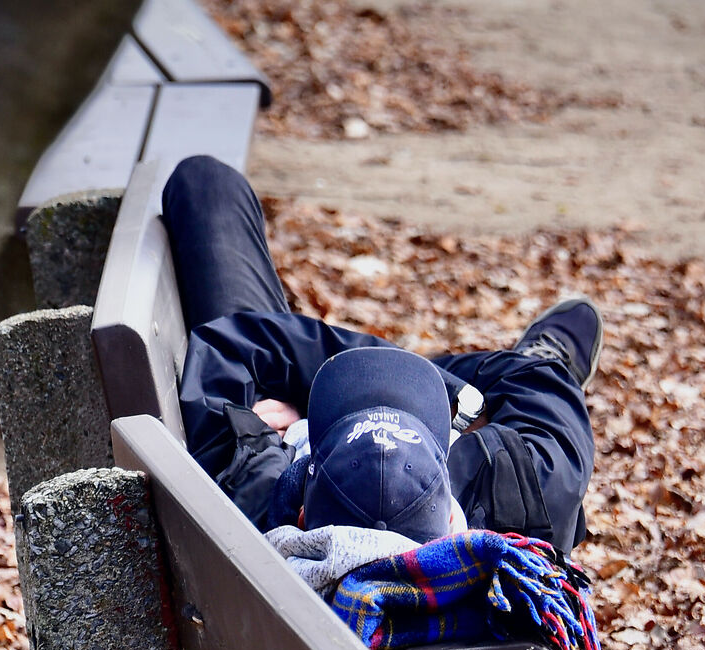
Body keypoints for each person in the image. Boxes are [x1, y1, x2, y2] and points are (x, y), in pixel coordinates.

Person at [162, 155, 600, 553]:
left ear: (301, 517)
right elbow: (540, 381)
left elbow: (230, 344)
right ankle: (458, 387)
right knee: (532, 368)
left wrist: (291, 419)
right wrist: (457, 398)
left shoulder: (258, 495)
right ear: (451, 518)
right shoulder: (522, 494)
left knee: (205, 182)